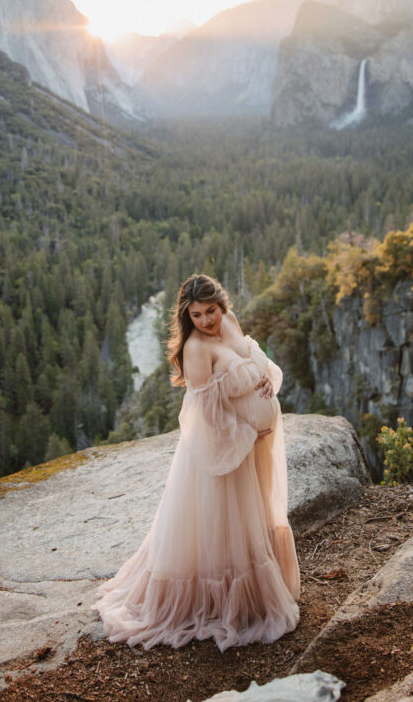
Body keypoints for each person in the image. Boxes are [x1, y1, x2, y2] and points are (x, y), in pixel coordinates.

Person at [93, 273, 300, 651]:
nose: (206, 320)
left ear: (223, 306)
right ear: (186, 315)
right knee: (224, 531)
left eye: (211, 311)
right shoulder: (195, 348)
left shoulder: (232, 324)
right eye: (197, 314)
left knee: (254, 521)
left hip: (256, 447)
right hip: (224, 452)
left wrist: (266, 379)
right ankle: (223, 603)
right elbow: (202, 413)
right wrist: (247, 433)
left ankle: (254, 597)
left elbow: (255, 361)